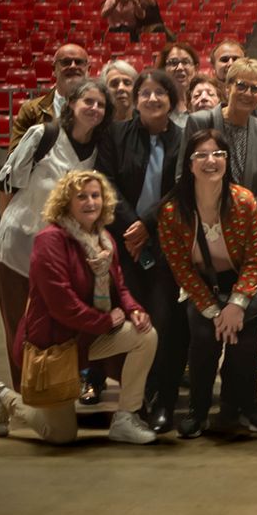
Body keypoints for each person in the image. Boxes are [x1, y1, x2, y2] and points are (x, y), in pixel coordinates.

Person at [0, 170, 158, 445]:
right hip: (53, 345)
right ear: (66, 202)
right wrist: (106, 322)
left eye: (96, 195)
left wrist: (134, 309)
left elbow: (120, 286)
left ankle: (126, 418)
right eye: (82, 197)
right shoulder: (50, 240)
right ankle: (3, 396)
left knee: (144, 335)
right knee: (60, 434)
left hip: (88, 336)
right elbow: (62, 306)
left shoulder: (104, 240)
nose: (91, 202)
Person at [0, 80, 113, 390]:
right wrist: (11, 226)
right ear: (71, 103)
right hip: (17, 247)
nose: (94, 108)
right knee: (19, 331)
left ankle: (51, 395)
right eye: (88, 101)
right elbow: (7, 183)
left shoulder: (99, 149)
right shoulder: (43, 135)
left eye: (101, 104)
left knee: (50, 328)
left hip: (56, 255)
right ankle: (21, 398)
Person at [158, 130, 257, 438]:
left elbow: (255, 258)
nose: (211, 161)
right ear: (189, 164)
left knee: (244, 346)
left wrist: (236, 304)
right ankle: (198, 410)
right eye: (202, 155)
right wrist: (214, 311)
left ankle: (246, 407)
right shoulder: (172, 211)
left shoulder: (244, 201)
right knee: (203, 341)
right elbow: (181, 268)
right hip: (201, 285)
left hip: (244, 282)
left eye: (218, 154)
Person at [95, 69, 183, 432]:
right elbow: (106, 182)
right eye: (144, 92)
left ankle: (163, 398)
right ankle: (137, 398)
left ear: (171, 100)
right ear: (135, 99)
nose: (152, 98)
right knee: (134, 322)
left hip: (166, 244)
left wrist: (147, 224)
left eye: (160, 92)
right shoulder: (115, 134)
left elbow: (182, 187)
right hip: (124, 244)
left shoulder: (182, 138)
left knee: (163, 321)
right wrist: (133, 227)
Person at [183, 58, 257, 198]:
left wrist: (248, 208)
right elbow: (182, 175)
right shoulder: (199, 122)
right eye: (241, 86)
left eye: (255, 89)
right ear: (227, 88)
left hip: (249, 209)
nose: (248, 93)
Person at [10, 43, 89, 151]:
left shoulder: (99, 110)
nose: (73, 66)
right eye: (66, 62)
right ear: (53, 69)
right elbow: (15, 155)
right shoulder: (31, 110)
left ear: (88, 69)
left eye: (79, 62)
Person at [210, 40, 257, 130]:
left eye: (236, 59)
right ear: (213, 67)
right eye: (224, 60)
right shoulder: (204, 101)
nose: (231, 63)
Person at [157, 42, 199, 116]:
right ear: (163, 69)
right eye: (173, 63)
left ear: (195, 68)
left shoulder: (204, 99)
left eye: (185, 62)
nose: (180, 68)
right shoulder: (157, 103)